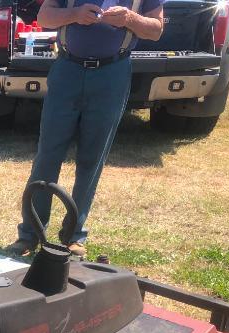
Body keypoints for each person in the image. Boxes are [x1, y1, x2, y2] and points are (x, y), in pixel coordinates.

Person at [9, 0, 164, 259]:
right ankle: (30, 234)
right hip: (68, 69)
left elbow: (156, 29)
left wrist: (129, 19)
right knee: (48, 154)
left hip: (112, 73)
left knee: (92, 158)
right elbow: (45, 16)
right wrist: (75, 14)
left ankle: (74, 236)